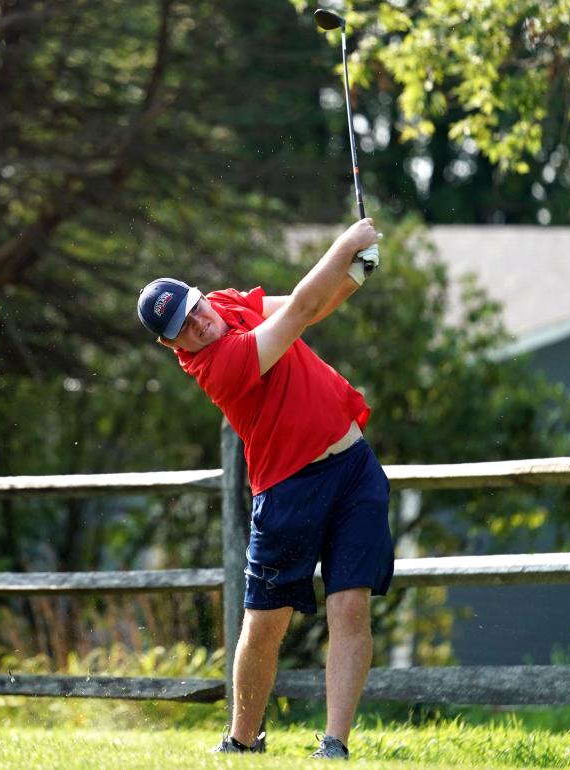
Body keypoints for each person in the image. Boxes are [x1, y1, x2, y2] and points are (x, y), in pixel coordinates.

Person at [137, 218, 393, 760]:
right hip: (288, 489)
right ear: (170, 344)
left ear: (200, 295)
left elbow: (312, 306)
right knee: (265, 625)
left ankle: (334, 745)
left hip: (353, 468)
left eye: (194, 311)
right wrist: (346, 244)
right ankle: (242, 739)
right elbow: (301, 309)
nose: (198, 326)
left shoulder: (228, 306)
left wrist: (353, 275)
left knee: (350, 607)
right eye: (183, 329)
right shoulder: (216, 365)